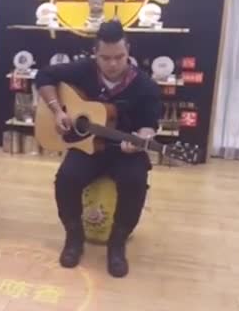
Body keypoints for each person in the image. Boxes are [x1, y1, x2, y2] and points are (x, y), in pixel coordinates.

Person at [35, 21, 161, 277]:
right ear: (95, 53)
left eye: (119, 57)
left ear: (128, 51)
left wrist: (141, 138)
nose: (112, 64)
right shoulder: (83, 69)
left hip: (125, 151)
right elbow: (44, 76)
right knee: (66, 178)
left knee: (135, 181)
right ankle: (74, 237)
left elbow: (149, 125)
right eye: (105, 58)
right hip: (87, 145)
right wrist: (57, 111)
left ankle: (117, 242)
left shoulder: (145, 86)